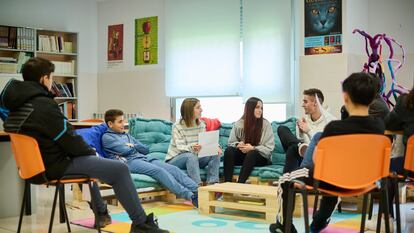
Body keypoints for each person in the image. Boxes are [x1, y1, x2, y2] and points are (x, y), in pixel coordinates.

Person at [0, 57, 168, 233]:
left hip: (31, 168)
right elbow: (71, 140)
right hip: (54, 166)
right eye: (51, 77)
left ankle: (103, 212)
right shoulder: (44, 105)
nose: (52, 82)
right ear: (44, 79)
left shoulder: (15, 105)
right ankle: (140, 224)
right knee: (119, 169)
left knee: (92, 163)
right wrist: (91, 151)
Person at [270, 72, 385, 233]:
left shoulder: (335, 128)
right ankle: (319, 221)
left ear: (346, 97)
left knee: (285, 179)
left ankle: (285, 226)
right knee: (334, 180)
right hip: (366, 181)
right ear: (372, 98)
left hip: (331, 178)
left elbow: (318, 158)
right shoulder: (379, 128)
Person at [102, 109, 199, 207]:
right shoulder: (107, 138)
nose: (123, 124)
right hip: (130, 161)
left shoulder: (126, 135)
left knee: (173, 169)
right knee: (159, 171)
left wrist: (132, 145)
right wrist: (132, 146)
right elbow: (126, 151)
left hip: (144, 157)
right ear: (110, 124)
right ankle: (190, 196)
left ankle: (198, 191)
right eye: (120, 122)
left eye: (123, 121)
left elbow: (145, 149)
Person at [278, 89, 336, 173]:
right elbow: (302, 143)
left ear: (315, 103)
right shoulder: (305, 119)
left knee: (293, 148)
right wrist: (301, 133)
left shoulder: (330, 122)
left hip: (317, 157)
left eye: (305, 102)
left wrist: (308, 131)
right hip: (302, 153)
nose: (302, 105)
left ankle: (288, 182)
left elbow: (323, 146)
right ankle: (298, 146)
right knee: (282, 129)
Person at [166, 98, 220, 185]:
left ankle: (212, 184)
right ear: (189, 110)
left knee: (215, 153)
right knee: (190, 156)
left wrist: (215, 147)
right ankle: (196, 187)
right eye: (198, 107)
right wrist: (193, 147)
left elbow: (205, 143)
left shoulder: (201, 124)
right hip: (175, 159)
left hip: (194, 157)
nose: (201, 110)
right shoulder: (177, 126)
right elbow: (180, 147)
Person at [223, 97, 275, 183]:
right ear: (250, 108)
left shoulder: (266, 124)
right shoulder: (239, 124)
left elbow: (269, 149)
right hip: (244, 156)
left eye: (261, 108)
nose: (260, 110)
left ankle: (240, 183)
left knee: (252, 153)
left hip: (260, 157)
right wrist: (238, 144)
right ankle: (227, 183)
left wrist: (253, 148)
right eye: (257, 107)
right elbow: (231, 143)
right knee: (229, 151)